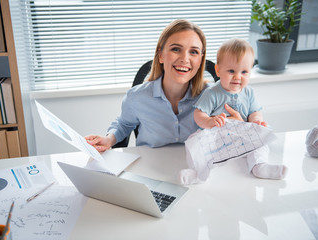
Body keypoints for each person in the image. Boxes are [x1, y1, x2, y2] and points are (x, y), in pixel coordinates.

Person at [85, 19, 242, 152]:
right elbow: (124, 124)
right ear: (160, 54)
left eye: (193, 52)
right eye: (176, 49)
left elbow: (230, 136)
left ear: (201, 60)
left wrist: (238, 126)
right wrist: (109, 139)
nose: (184, 59)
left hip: (196, 171)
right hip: (149, 170)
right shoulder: (136, 97)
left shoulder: (215, 96)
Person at [181, 38, 288, 184]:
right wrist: (209, 121)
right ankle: (198, 173)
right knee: (195, 143)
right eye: (231, 71)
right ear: (218, 70)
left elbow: (254, 111)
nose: (238, 77)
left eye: (244, 72)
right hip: (216, 137)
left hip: (241, 136)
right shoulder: (212, 93)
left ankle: (259, 166)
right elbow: (198, 114)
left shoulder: (248, 92)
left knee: (261, 141)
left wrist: (256, 121)